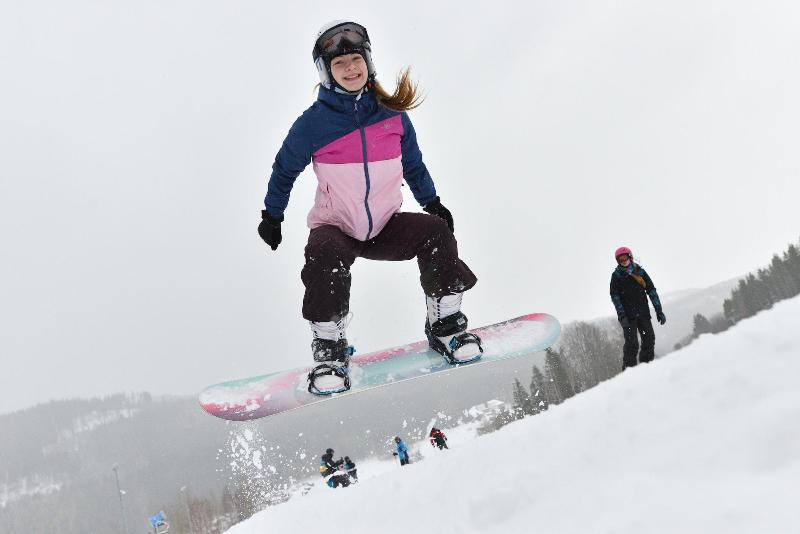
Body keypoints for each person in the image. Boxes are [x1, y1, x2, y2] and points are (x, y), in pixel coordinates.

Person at [257, 20, 482, 396]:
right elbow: (284, 170)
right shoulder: (313, 125)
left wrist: (432, 202)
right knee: (322, 252)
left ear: (368, 62)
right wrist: (272, 215)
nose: (350, 68)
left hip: (385, 225)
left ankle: (445, 329)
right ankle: (330, 354)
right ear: (326, 72)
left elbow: (413, 164)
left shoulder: (392, 115)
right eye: (339, 63)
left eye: (355, 59)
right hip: (338, 227)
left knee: (436, 233)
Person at [610, 247, 667, 370]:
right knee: (632, 344)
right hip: (628, 317)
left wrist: (659, 310)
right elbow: (615, 297)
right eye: (620, 260)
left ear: (630, 257)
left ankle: (646, 367)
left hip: (643, 313)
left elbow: (651, 291)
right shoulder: (616, 276)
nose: (623, 261)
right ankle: (628, 371)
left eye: (625, 258)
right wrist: (622, 316)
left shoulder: (640, 272)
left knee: (649, 339)